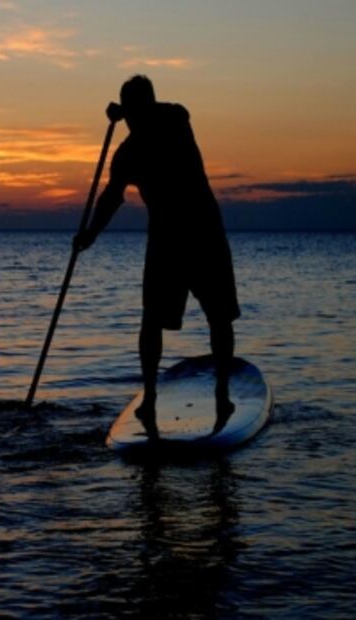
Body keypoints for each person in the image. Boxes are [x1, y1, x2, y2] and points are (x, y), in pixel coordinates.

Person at [74, 75, 240, 437]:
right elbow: (111, 197)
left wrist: (127, 110)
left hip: (203, 232)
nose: (132, 121)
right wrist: (90, 234)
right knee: (152, 320)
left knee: (219, 315)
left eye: (136, 111)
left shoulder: (174, 122)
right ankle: (149, 395)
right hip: (165, 240)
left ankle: (223, 390)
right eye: (129, 114)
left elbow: (177, 109)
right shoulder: (128, 152)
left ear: (146, 105)